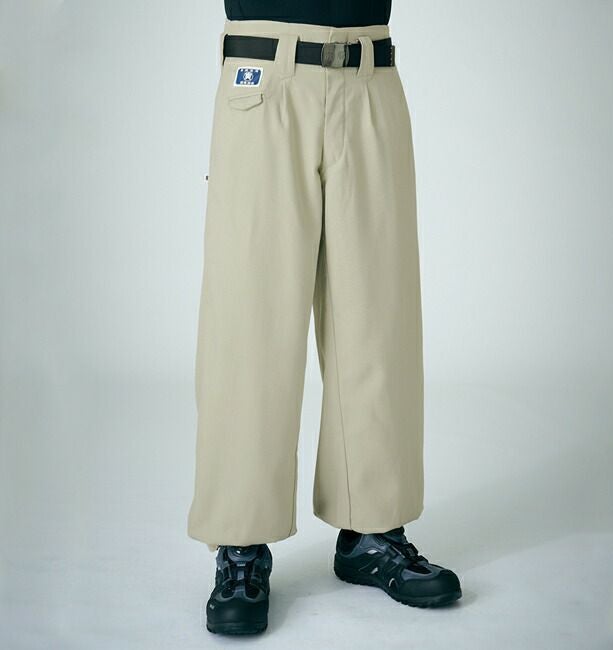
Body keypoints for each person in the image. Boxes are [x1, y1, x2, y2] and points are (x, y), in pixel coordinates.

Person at [187, 0, 462, 635]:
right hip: (265, 74)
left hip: (370, 72)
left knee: (378, 316)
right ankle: (240, 543)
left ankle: (371, 532)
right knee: (249, 321)